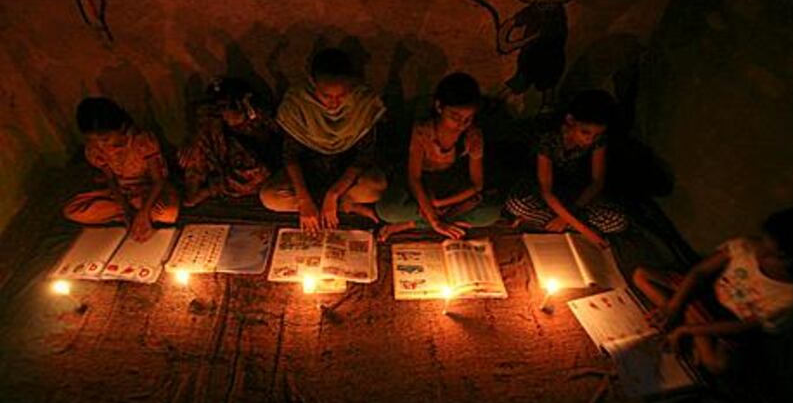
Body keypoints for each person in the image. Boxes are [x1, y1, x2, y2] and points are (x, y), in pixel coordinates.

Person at [633, 208, 793, 375]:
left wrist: (686, 330)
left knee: (716, 365)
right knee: (641, 275)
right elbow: (700, 272)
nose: (761, 252)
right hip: (705, 294)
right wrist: (674, 305)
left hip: (727, 320)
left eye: (772, 254)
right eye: (763, 241)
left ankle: (686, 321)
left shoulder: (790, 297)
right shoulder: (745, 246)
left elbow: (742, 326)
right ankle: (676, 313)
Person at [260, 47, 387, 234]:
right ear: (313, 83)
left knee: (376, 186)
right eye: (326, 95)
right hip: (309, 172)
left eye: (342, 95)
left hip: (346, 175)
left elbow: (363, 156)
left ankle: (334, 202)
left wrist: (333, 193)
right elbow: (290, 155)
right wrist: (303, 199)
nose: (333, 103)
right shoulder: (297, 103)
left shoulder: (364, 103)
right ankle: (340, 205)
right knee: (269, 197)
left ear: (351, 84)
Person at [376, 72, 501, 241]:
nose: (461, 124)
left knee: (491, 214)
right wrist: (434, 215)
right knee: (388, 210)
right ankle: (441, 220)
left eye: (468, 119)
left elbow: (477, 185)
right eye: (455, 116)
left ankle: (411, 224)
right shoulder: (423, 131)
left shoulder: (473, 136)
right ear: (439, 107)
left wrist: (439, 204)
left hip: (449, 185)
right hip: (421, 185)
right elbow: (414, 177)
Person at [505, 89, 627, 248]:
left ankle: (557, 224)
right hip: (543, 192)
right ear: (570, 120)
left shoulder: (598, 140)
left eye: (596, 135)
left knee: (618, 221)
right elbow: (546, 190)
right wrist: (585, 231)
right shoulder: (549, 138)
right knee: (517, 205)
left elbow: (597, 181)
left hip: (574, 193)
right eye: (585, 132)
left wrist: (569, 215)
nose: (590, 140)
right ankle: (570, 225)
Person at [63, 97, 179, 241]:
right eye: (92, 140)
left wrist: (143, 211)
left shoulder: (141, 141)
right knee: (73, 210)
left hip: (149, 191)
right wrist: (126, 210)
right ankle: (132, 215)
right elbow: (111, 180)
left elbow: (158, 180)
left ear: (121, 127)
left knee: (168, 212)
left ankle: (140, 215)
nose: (99, 145)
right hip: (122, 193)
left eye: (104, 139)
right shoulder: (95, 149)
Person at [179, 77, 278, 207]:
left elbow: (262, 168)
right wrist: (193, 139)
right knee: (197, 144)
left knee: (256, 175)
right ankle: (192, 190)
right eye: (220, 107)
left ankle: (204, 192)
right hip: (220, 167)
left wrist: (209, 190)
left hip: (248, 174)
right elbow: (202, 128)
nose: (223, 112)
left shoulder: (259, 121)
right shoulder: (215, 121)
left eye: (226, 106)